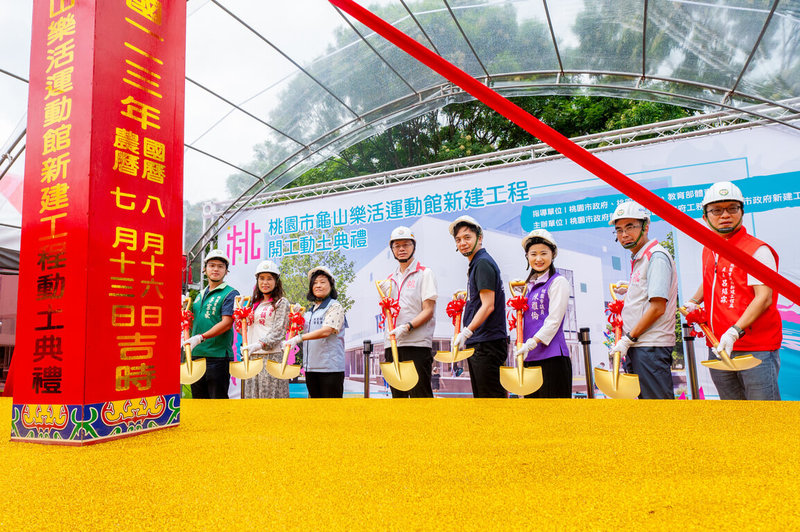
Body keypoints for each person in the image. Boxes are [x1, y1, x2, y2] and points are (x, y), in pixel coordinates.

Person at [684, 181, 782, 400]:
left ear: (742, 211)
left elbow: (764, 298)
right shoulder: (710, 247)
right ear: (705, 215)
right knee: (734, 414)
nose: (725, 215)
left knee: (764, 417)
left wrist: (734, 330)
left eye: (732, 208)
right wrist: (693, 301)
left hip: (755, 348)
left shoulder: (757, 251)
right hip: (719, 346)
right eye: (717, 210)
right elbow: (713, 277)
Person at [609, 201, 677, 399]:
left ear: (646, 227)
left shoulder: (656, 257)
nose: (624, 235)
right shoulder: (642, 258)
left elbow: (657, 307)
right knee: (647, 410)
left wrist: (628, 339)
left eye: (630, 227)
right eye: (619, 230)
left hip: (650, 347)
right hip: (641, 346)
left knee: (657, 410)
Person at [449, 215, 508, 398]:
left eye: (467, 237)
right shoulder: (477, 264)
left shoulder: (482, 263)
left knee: (491, 403)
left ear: (479, 238)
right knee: (484, 401)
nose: (463, 243)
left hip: (487, 343)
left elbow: (488, 305)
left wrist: (466, 331)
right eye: (458, 239)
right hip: (482, 342)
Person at [514, 229, 573, 398]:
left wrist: (532, 343)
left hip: (552, 358)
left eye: (543, 253)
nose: (538, 259)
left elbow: (554, 321)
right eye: (533, 254)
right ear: (527, 256)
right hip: (531, 357)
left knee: (554, 416)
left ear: (553, 255)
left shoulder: (558, 282)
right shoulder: (529, 287)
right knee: (534, 416)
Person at [382, 226, 438, 398]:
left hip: (417, 345)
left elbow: (428, 310)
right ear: (392, 249)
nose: (401, 249)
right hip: (392, 346)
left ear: (413, 246)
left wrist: (407, 327)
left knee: (420, 397)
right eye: (397, 246)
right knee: (398, 399)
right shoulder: (389, 280)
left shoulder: (424, 273)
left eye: (406, 244)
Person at [183, 249, 240, 399]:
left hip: (217, 357)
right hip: (195, 355)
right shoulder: (199, 295)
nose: (216, 269)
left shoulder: (230, 293)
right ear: (204, 269)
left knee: (217, 403)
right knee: (198, 402)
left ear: (226, 271)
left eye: (220, 266)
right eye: (212, 265)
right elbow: (193, 322)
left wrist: (200, 337)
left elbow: (227, 323)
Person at [282, 266, 347, 398]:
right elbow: (299, 329)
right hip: (311, 369)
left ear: (331, 285)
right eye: (315, 283)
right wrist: (296, 317)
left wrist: (298, 338)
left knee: (331, 411)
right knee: (315, 411)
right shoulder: (310, 311)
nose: (318, 285)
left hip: (330, 369)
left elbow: (326, 331)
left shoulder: (335, 306)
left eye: (322, 282)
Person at [240, 260, 291, 399]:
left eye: (269, 278)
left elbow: (278, 331)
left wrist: (258, 345)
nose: (265, 282)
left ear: (276, 281)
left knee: (270, 399)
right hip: (252, 357)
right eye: (261, 278)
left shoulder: (281, 302)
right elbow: (244, 330)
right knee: (252, 399)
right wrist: (239, 316)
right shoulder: (253, 304)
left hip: (271, 357)